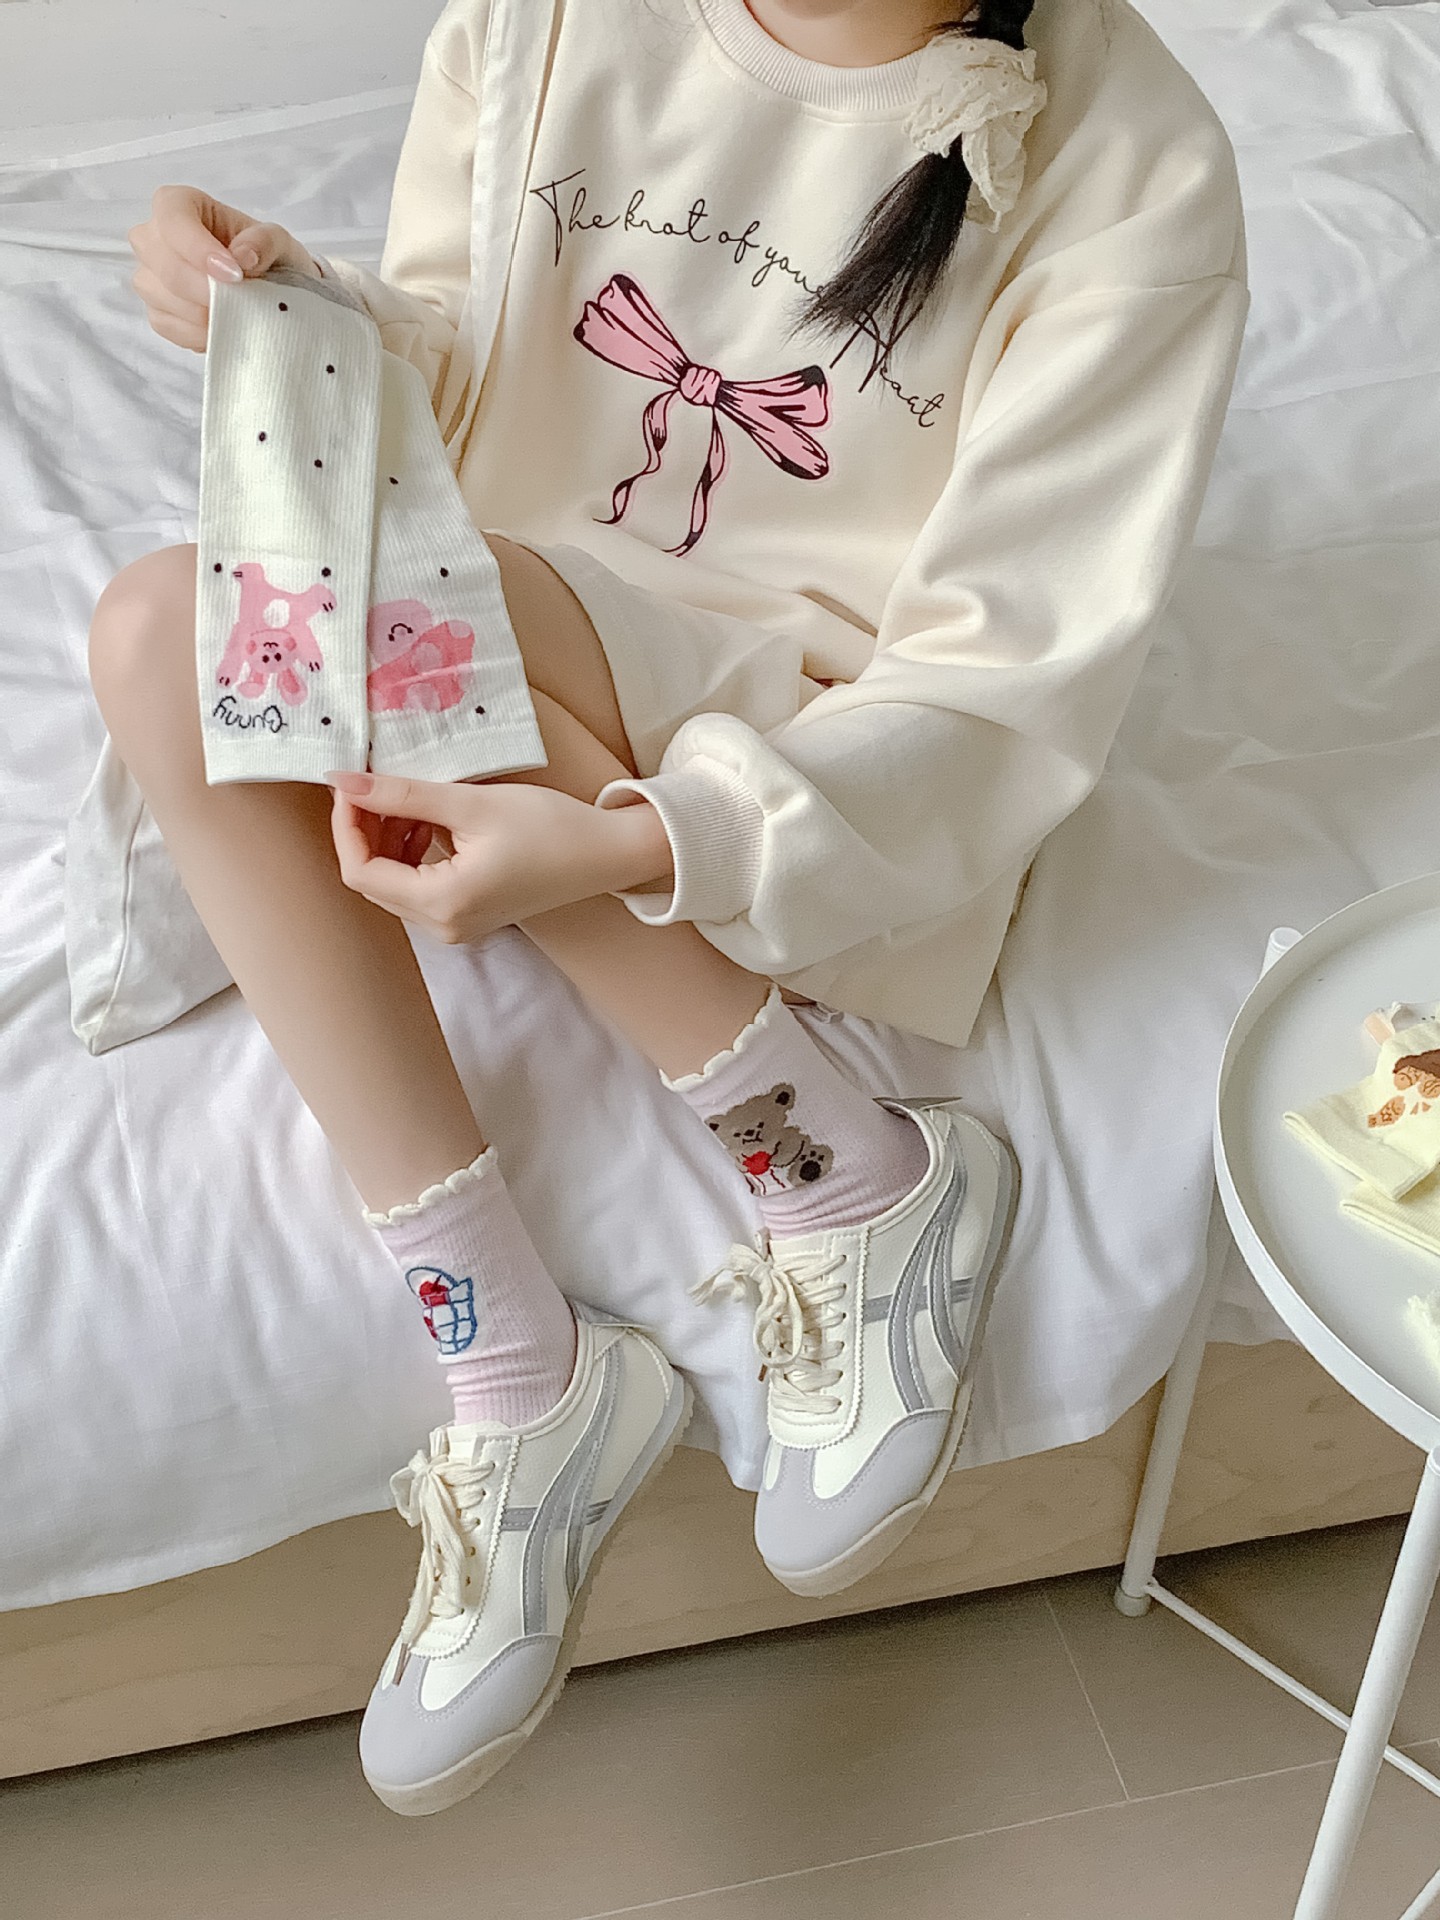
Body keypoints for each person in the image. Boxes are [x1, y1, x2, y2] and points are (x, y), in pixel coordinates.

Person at [88, 0, 1249, 1817]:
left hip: (813, 739)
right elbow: (454, 374)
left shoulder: (1136, 163)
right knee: (158, 629)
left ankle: (840, 1167)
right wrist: (288, 305)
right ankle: (514, 1361)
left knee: (362, 603)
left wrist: (632, 844)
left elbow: (999, 695)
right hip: (473, 627)